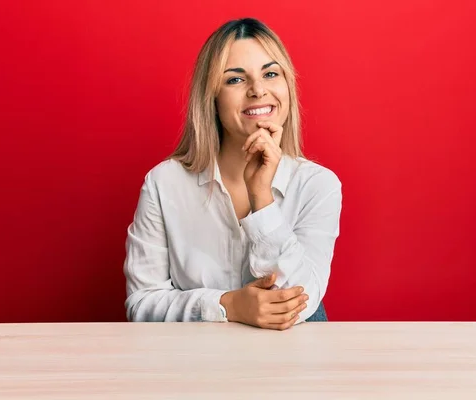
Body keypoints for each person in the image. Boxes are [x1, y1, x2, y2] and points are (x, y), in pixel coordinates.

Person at [123, 18, 342, 331]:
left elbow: (302, 302)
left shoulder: (318, 185)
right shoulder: (164, 183)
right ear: (211, 97)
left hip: (289, 367)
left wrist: (261, 198)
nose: (258, 90)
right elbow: (142, 303)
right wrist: (228, 305)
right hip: (194, 365)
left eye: (270, 73)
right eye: (236, 80)